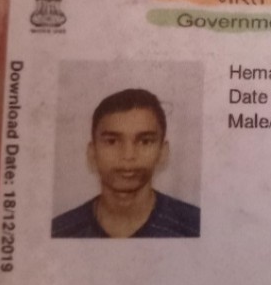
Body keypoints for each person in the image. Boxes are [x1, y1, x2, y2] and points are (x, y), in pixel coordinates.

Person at [51, 88, 200, 238]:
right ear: (92, 153)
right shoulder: (60, 232)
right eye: (112, 141)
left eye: (145, 141)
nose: (128, 155)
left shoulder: (195, 227)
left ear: (163, 152)